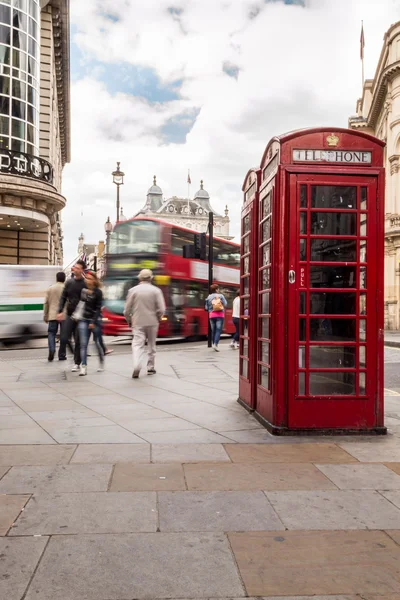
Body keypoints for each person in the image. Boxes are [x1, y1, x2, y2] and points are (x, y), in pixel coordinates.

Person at [123, 269, 166, 379]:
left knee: (137, 344)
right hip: (152, 321)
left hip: (137, 321)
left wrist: (129, 320)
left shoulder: (133, 290)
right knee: (151, 345)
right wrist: (158, 318)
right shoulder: (156, 291)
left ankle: (137, 365)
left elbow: (127, 310)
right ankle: (150, 367)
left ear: (139, 278)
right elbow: (162, 309)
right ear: (151, 278)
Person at [57, 259, 87, 371]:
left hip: (81, 316)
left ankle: (77, 362)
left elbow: (88, 299)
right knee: (64, 338)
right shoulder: (69, 282)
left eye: (78, 268)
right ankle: (76, 354)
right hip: (70, 314)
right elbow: (63, 297)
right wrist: (60, 311)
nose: (75, 269)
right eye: (74, 267)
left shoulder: (85, 283)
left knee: (78, 339)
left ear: (82, 270)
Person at [77, 271, 104, 376]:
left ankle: (101, 361)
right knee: (83, 344)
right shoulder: (83, 291)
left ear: (94, 280)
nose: (87, 280)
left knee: (97, 342)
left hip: (95, 320)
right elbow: (82, 305)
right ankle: (83, 366)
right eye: (86, 278)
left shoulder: (98, 292)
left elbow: (98, 308)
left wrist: (93, 321)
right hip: (83, 319)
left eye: (89, 278)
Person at [44, 271, 66, 362]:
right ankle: (62, 355)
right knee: (64, 335)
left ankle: (52, 350)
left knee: (51, 333)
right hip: (64, 315)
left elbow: (46, 303)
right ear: (64, 279)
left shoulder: (50, 289)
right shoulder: (66, 288)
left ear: (56, 278)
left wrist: (46, 315)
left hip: (52, 315)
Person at [205, 283, 227, 352]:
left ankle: (213, 343)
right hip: (220, 315)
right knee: (218, 330)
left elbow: (206, 308)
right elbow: (225, 304)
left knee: (213, 330)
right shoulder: (221, 296)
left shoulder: (208, 297)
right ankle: (215, 344)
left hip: (211, 315)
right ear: (216, 289)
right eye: (218, 289)